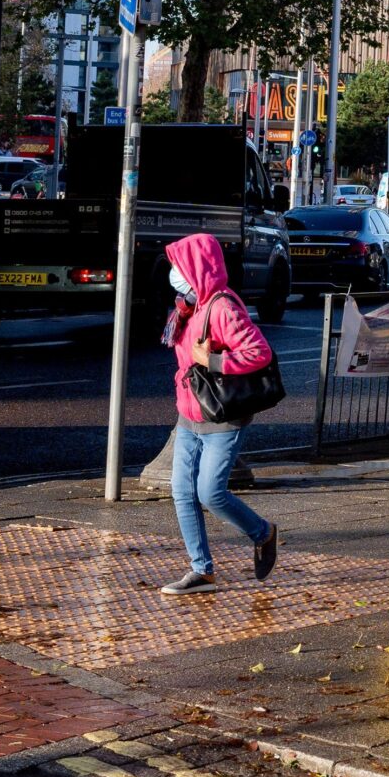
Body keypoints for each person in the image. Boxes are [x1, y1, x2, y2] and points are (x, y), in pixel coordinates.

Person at [158, 232, 280, 595]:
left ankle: (263, 532)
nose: (174, 274)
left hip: (223, 416)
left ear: (196, 267)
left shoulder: (222, 307)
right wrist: (181, 317)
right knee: (182, 491)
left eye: (179, 267)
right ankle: (201, 570)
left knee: (210, 493)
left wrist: (210, 359)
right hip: (190, 413)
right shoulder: (190, 305)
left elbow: (260, 353)